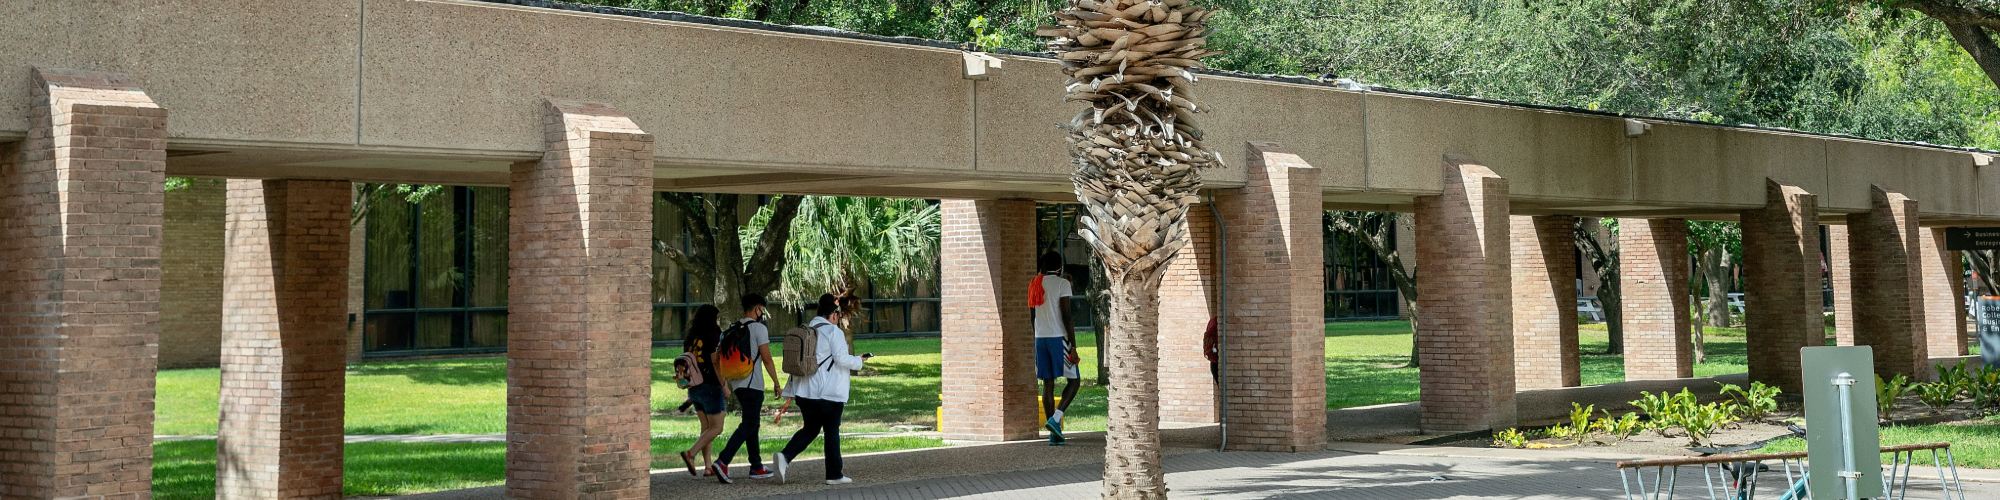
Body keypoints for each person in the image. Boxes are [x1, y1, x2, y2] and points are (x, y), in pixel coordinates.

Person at [774, 294, 871, 485]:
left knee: (810, 428)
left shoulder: (806, 330)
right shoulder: (833, 332)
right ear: (834, 315)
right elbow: (843, 360)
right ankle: (834, 474)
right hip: (829, 393)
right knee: (831, 431)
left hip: (803, 392)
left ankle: (785, 457)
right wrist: (859, 360)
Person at [713, 294, 782, 483]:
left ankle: (756, 466)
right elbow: (767, 359)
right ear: (757, 309)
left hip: (738, 383)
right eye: (762, 309)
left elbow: (716, 358)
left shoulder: (731, 329)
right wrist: (776, 383)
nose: (762, 313)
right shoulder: (759, 328)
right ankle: (723, 461)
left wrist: (725, 383)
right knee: (750, 424)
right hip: (753, 384)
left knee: (752, 423)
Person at [1029, 251, 1079, 446]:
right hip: (1060, 339)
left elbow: (1032, 316)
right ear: (1059, 266)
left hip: (1040, 338)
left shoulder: (1034, 283)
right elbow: (1067, 315)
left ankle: (1054, 434)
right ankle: (1055, 419)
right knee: (1074, 380)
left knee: (1048, 383)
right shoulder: (1062, 284)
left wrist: (1039, 333)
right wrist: (1073, 345)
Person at [679, 305, 728, 478]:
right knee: (717, 427)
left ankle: (708, 466)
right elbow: (715, 362)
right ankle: (690, 454)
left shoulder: (690, 336)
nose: (718, 319)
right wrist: (724, 385)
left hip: (694, 388)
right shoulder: (713, 335)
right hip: (711, 387)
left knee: (706, 427)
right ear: (712, 318)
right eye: (717, 316)